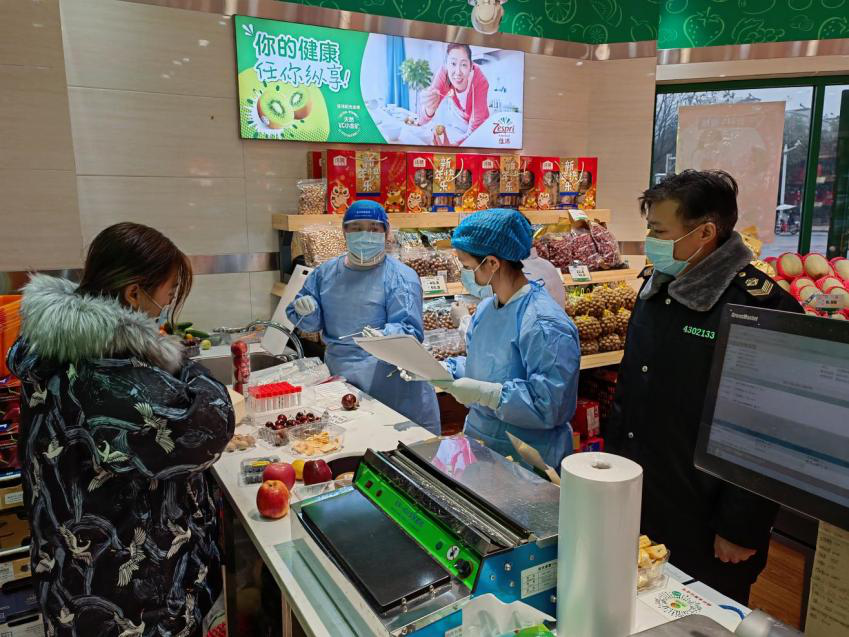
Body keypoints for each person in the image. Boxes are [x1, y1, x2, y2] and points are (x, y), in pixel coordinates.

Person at [7, 223, 235, 636]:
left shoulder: (53, 344)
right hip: (126, 594)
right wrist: (173, 359)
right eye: (168, 293)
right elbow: (208, 425)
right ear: (134, 293)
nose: (166, 306)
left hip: (71, 571)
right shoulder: (105, 374)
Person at [607, 170, 802, 605]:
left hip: (707, 517)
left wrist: (741, 526)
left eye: (659, 232)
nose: (650, 241)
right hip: (641, 495)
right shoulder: (657, 288)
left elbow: (771, 431)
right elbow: (630, 391)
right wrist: (613, 474)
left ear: (705, 233)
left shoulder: (760, 307)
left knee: (701, 618)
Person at [428, 209, 580, 468]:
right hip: (481, 445)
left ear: (492, 263)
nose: (465, 274)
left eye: (467, 266)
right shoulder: (487, 309)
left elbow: (551, 405)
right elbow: (487, 367)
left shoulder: (544, 324)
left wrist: (490, 395)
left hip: (529, 458)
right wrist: (440, 370)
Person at [287, 200, 440, 434]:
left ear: (386, 233)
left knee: (394, 444)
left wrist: (382, 336)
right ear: (344, 232)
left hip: (390, 382)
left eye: (373, 228)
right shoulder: (325, 273)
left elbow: (409, 332)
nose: (365, 235)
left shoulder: (401, 278)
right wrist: (306, 311)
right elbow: (309, 323)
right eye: (357, 228)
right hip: (341, 379)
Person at [418, 43, 490, 147]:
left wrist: (454, 146)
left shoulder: (480, 80)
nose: (458, 72)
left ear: (471, 66)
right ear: (446, 65)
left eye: (464, 64)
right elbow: (423, 118)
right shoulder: (444, 74)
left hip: (479, 128)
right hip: (460, 122)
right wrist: (429, 107)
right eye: (453, 63)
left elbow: (476, 128)